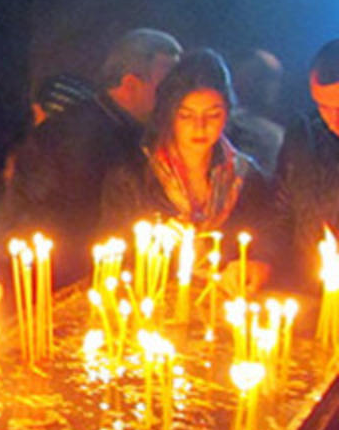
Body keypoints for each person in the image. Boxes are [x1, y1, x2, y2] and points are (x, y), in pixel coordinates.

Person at [0, 28, 182, 286]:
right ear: (130, 84)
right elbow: (39, 213)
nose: (176, 96)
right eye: (167, 87)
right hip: (63, 278)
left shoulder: (144, 132)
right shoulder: (69, 133)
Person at [100, 49, 274, 294]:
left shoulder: (245, 177)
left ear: (227, 114)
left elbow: (268, 236)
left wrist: (258, 264)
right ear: (169, 115)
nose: (199, 126)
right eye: (186, 116)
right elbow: (114, 251)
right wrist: (154, 245)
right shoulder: (134, 175)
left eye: (213, 115)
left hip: (224, 304)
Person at [273, 39, 339, 288]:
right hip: (306, 290)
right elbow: (279, 212)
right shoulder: (305, 136)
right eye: (324, 106)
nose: (334, 120)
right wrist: (264, 259)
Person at [227, 48, 285, 174]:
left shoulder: (274, 136)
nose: (271, 86)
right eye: (258, 77)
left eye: (273, 80)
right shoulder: (216, 123)